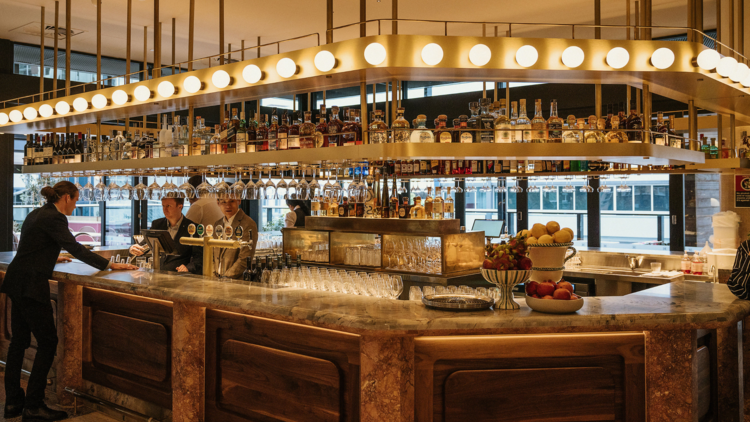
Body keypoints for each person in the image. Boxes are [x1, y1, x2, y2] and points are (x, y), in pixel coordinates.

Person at [1, 182, 137, 421]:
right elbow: (75, 247)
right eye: (75, 200)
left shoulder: (38, 213)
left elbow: (35, 246)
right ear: (65, 197)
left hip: (17, 280)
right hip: (31, 286)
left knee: (19, 342)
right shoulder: (55, 218)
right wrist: (109, 264)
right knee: (48, 342)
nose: (75, 205)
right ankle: (33, 405)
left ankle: (13, 402)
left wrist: (55, 256)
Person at [129, 197, 203, 274]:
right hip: (157, 275)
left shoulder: (192, 228)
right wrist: (132, 249)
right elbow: (144, 246)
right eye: (163, 206)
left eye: (168, 206)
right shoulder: (157, 224)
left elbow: (199, 257)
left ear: (180, 207)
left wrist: (188, 268)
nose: (165, 209)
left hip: (179, 277)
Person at [212, 198, 258, 279]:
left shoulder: (248, 224)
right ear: (218, 203)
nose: (228, 205)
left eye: (232, 201)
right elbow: (212, 254)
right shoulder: (217, 224)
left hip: (235, 282)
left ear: (239, 201)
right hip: (216, 280)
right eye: (223, 202)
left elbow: (245, 258)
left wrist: (225, 277)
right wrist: (213, 275)